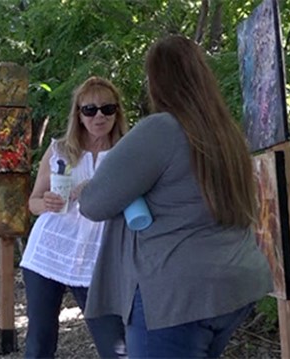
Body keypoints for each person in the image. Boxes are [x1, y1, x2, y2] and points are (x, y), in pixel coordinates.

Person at [78, 35, 273, 358]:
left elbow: (94, 203)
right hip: (235, 284)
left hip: (177, 296)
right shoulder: (227, 133)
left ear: (156, 82)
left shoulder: (161, 130)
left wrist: (88, 187)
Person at [20, 76, 127, 359]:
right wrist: (46, 202)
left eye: (107, 108)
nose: (99, 116)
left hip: (99, 254)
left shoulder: (127, 152)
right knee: (39, 343)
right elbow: (33, 202)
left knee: (115, 344)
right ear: (78, 115)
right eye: (89, 110)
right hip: (49, 250)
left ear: (117, 112)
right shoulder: (60, 150)